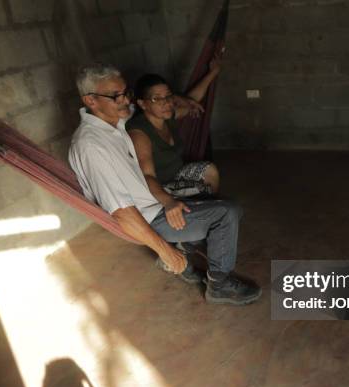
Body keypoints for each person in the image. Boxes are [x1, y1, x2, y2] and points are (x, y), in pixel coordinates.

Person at [68, 64, 261, 306]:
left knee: (216, 202)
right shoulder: (92, 146)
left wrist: (209, 73)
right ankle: (219, 284)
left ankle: (188, 253)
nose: (124, 99)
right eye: (116, 95)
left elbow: (180, 102)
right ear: (91, 100)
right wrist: (166, 252)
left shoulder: (114, 126)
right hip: (149, 217)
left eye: (125, 92)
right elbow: (121, 211)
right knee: (227, 212)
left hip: (153, 203)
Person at [127, 53, 223, 203]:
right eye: (156, 98)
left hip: (176, 174)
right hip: (158, 188)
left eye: (168, 96)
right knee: (203, 191)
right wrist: (168, 202)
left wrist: (213, 72)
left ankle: (210, 212)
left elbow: (192, 102)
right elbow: (147, 177)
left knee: (210, 170)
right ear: (142, 104)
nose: (165, 103)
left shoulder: (167, 116)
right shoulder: (139, 132)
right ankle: (206, 213)